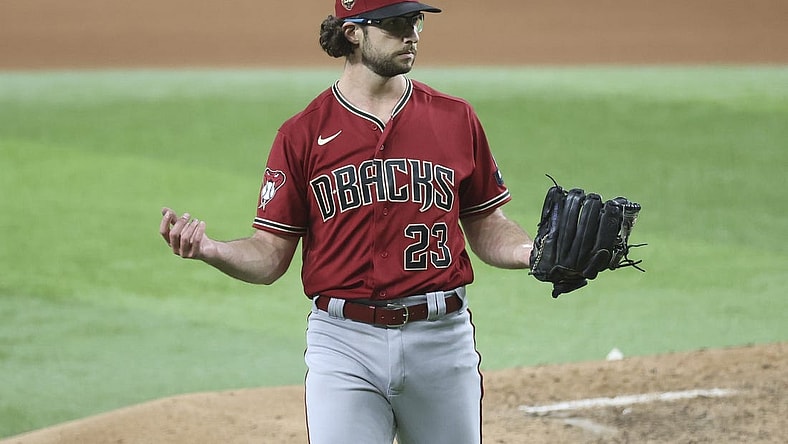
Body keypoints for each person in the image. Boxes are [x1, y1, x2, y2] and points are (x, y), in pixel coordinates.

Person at [159, 1, 534, 442]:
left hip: (441, 341)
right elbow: (269, 255)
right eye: (395, 24)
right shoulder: (302, 133)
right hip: (344, 343)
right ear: (353, 32)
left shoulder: (455, 118)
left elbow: (488, 223)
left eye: (416, 21)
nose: (411, 34)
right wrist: (211, 250)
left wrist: (533, 251)